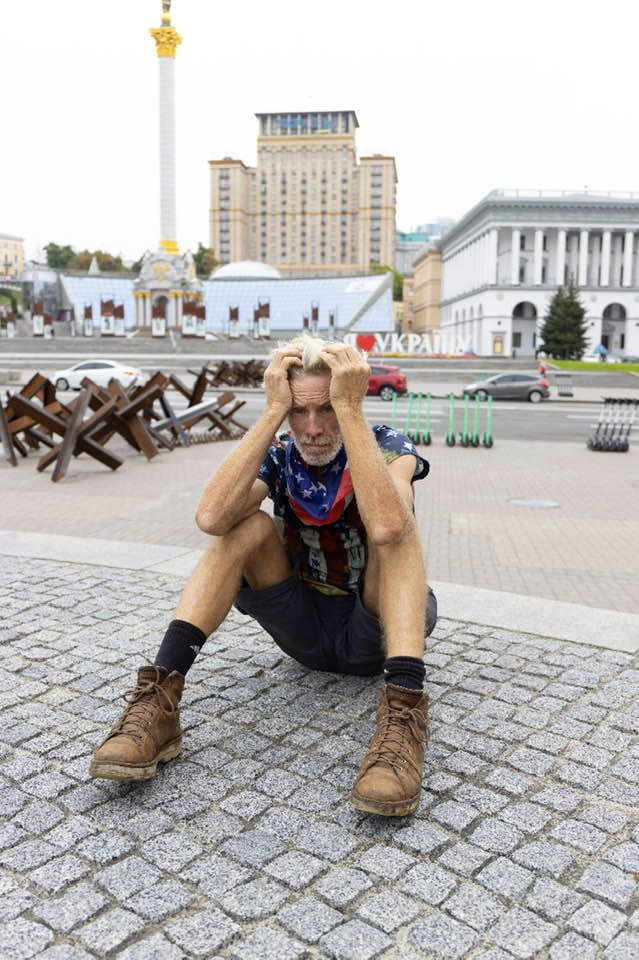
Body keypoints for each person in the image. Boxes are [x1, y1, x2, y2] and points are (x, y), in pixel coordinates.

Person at [90, 336, 437, 817]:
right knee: (244, 524)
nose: (313, 428)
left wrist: (351, 412)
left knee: (400, 524)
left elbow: (386, 526)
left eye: (327, 408)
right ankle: (159, 698)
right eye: (299, 410)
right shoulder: (282, 453)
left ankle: (403, 713)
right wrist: (272, 411)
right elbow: (212, 518)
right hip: (303, 628)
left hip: (372, 630)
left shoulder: (387, 444)